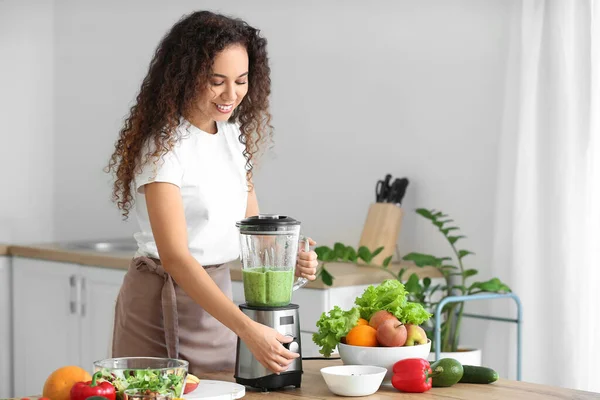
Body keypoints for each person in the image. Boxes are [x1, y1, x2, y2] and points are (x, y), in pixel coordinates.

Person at [105, 10, 319, 375]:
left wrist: (292, 263)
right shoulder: (163, 147)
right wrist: (246, 328)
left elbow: (255, 233)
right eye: (216, 81)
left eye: (241, 80)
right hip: (160, 305)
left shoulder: (233, 137)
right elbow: (175, 258)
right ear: (186, 76)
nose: (231, 95)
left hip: (216, 304)